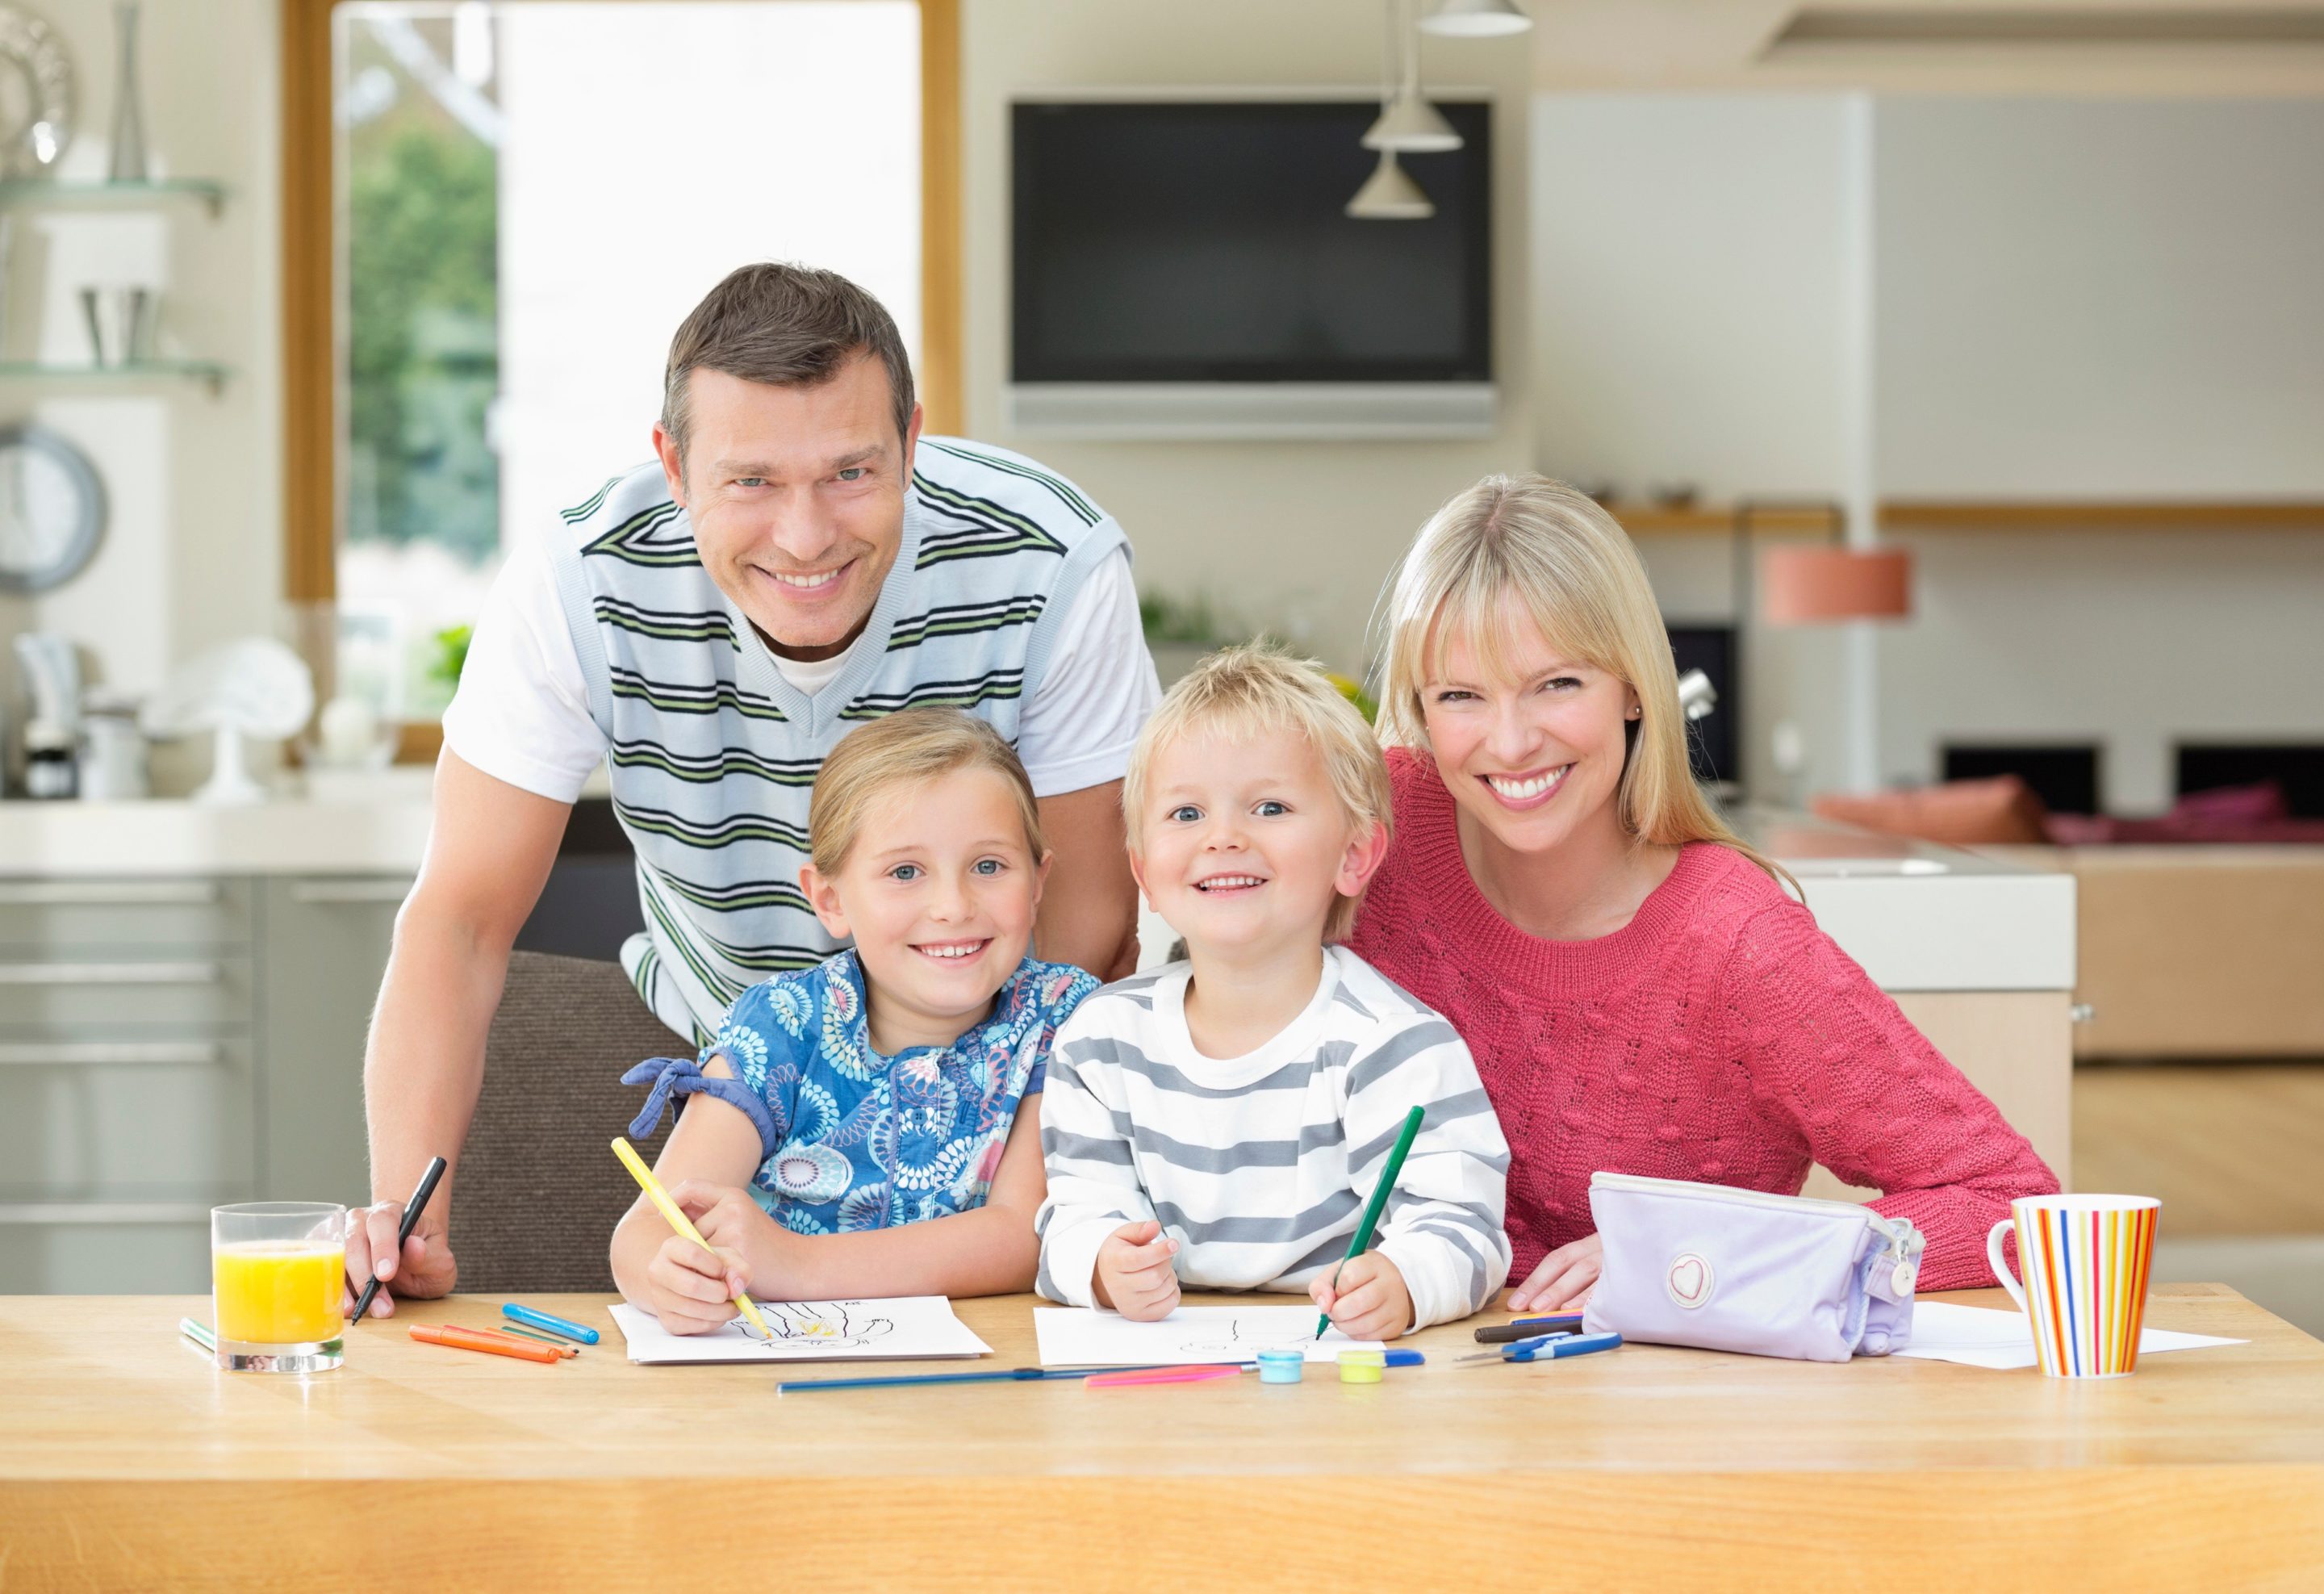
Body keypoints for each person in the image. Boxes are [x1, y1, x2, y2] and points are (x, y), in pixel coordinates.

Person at [347, 263, 1156, 1315]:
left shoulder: (1054, 558)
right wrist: (409, 1225)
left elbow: (1090, 915)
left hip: (988, 1076)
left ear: (913, 443)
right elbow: (457, 920)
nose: (807, 534)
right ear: (674, 467)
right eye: (752, 482)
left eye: (853, 473)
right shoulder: (577, 578)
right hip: (726, 1040)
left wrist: (939, 1132)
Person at [1348, 475, 2059, 1312]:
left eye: (1558, 683)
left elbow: (2013, 1206)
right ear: (1421, 709)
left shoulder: (1741, 942)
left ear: (1636, 686)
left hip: (1660, 1414)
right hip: (1389, 1391)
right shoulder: (1373, 832)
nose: (1510, 742)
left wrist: (1702, 1252)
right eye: (1461, 695)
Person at [1036, 646, 1510, 1340]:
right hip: (1159, 1393)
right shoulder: (1101, 1039)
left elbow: (1466, 1227)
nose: (1224, 837)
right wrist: (1105, 1264)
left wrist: (1406, 1282)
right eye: (1186, 813)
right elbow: (1071, 1216)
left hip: (1342, 1381)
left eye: (1270, 806)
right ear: (1144, 869)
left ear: (1354, 855)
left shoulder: (1394, 1045)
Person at [612, 709, 1096, 1329]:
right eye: (904, 872)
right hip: (780, 1392)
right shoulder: (781, 1025)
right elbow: (644, 1231)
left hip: (989, 1391)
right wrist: (671, 1277)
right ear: (831, 900)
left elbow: (1022, 1234)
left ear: (1037, 882)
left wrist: (799, 1263)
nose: (952, 906)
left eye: (989, 866)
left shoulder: (1063, 1017)